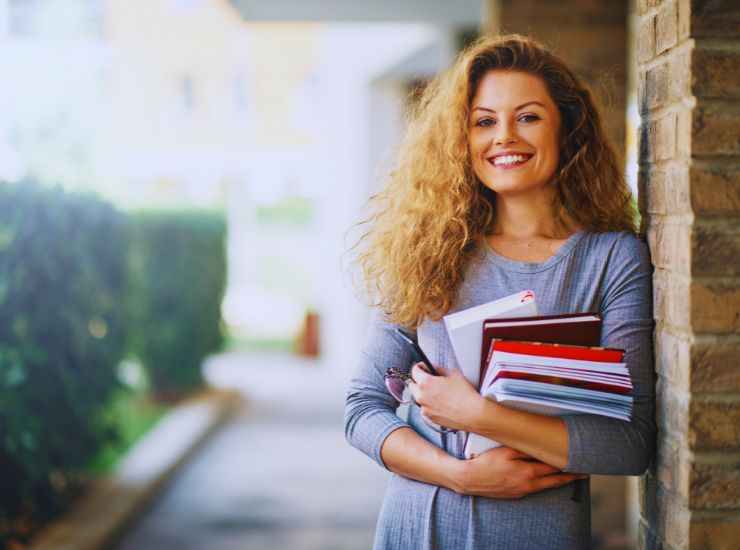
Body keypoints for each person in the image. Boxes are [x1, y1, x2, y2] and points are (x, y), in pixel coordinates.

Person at [344, 34, 655, 550]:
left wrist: (479, 415)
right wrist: (459, 475)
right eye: (484, 121)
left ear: (567, 127)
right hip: (419, 530)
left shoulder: (610, 259)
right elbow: (363, 408)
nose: (504, 137)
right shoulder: (430, 249)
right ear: (462, 140)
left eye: (527, 117)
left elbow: (629, 444)